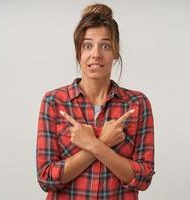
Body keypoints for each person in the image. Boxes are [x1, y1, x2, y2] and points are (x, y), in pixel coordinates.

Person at [36, 3, 155, 200]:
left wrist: (94, 145)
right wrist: (103, 142)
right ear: (78, 52)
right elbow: (46, 178)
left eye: (105, 45)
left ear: (115, 52)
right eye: (88, 45)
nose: (96, 54)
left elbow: (143, 178)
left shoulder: (137, 104)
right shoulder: (54, 102)